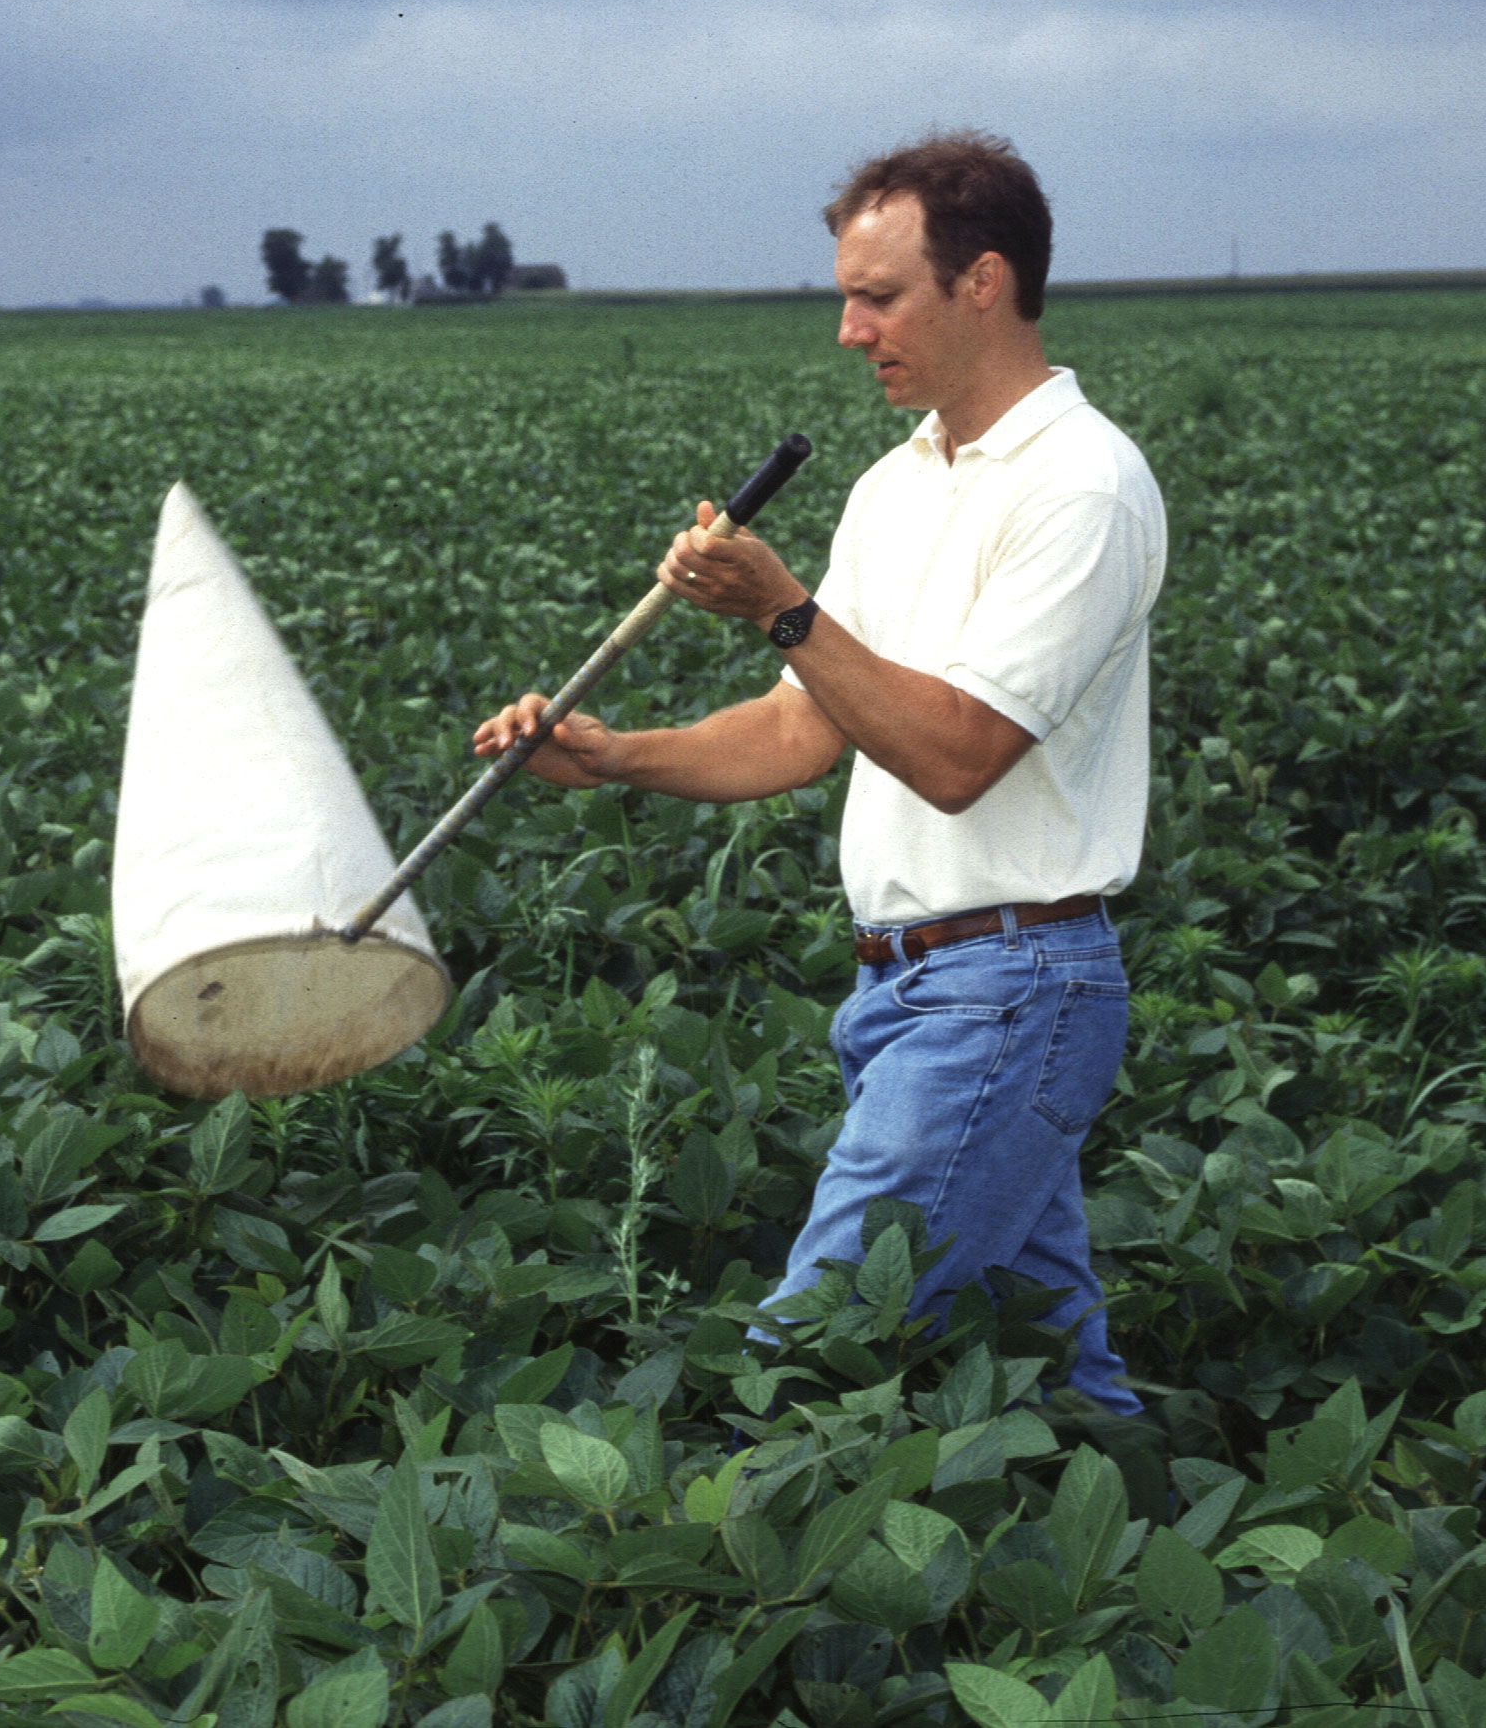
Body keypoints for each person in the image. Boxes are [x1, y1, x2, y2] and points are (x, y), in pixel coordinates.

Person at [471, 130, 1165, 1413]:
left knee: (807, 1366)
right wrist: (609, 753)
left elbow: (957, 755)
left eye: (878, 296)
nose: (850, 330)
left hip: (1010, 993)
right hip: (907, 993)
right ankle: (1144, 1561)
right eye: (846, 296)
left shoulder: (1083, 486)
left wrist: (782, 605)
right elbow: (803, 730)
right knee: (1060, 1379)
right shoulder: (897, 489)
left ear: (983, 282)